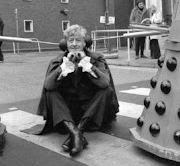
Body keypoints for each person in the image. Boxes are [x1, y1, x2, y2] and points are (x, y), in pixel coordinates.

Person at [36, 25, 119, 156]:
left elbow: (104, 82)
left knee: (106, 90)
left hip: (91, 112)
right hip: (67, 114)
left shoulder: (97, 59)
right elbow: (48, 85)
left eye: (78, 40)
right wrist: (65, 66)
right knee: (51, 92)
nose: (74, 44)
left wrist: (88, 65)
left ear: (84, 42)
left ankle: (77, 131)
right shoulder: (58, 61)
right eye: (71, 40)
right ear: (65, 43)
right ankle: (75, 133)